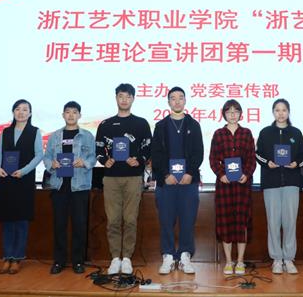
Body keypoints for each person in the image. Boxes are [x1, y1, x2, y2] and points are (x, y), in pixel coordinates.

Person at [95, 83, 152, 275]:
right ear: (116, 98)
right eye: (121, 96)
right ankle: (115, 258)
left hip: (133, 178)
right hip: (111, 178)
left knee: (130, 219)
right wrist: (105, 160)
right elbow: (98, 148)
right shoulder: (106, 124)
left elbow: (148, 147)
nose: (124, 100)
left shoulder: (141, 123)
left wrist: (139, 160)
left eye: (128, 96)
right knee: (112, 220)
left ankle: (127, 257)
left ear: (133, 99)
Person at [151, 86, 204, 275]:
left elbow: (198, 152)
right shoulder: (161, 126)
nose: (177, 101)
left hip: (188, 182)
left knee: (188, 220)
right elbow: (156, 154)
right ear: (168, 102)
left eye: (181, 98)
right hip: (167, 182)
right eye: (173, 98)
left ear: (185, 101)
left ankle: (184, 256)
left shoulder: (193, 125)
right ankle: (168, 255)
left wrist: (189, 173)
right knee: (166, 220)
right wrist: (166, 175)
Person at [0, 99, 43, 274]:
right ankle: (7, 257)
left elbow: (39, 155)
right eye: (18, 109)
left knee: (21, 221)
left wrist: (24, 171)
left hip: (24, 180)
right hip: (6, 180)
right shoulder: (6, 132)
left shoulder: (34, 132)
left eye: (25, 109)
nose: (21, 112)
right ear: (13, 112)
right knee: (7, 220)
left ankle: (17, 258)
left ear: (30, 113)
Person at [43, 101, 96, 275]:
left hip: (79, 187)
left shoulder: (87, 136)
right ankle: (59, 261)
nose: (71, 115)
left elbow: (93, 157)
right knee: (59, 225)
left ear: (79, 115)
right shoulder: (55, 136)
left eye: (74, 112)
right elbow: (47, 157)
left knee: (79, 225)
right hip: (59, 186)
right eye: (68, 112)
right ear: (63, 115)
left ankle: (78, 261)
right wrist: (52, 164)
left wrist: (84, 162)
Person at [255, 98, 303, 275]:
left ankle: (289, 258)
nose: (281, 113)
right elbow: (258, 154)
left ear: (288, 112)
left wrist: (296, 163)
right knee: (273, 222)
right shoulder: (265, 133)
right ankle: (277, 258)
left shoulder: (296, 133)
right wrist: (267, 163)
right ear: (273, 112)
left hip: (291, 182)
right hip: (271, 183)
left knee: (290, 221)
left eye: (284, 110)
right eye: (277, 110)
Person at [209, 99, 256, 275]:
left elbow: (251, 158)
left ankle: (241, 261)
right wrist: (221, 174)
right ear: (224, 114)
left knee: (242, 222)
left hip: (243, 186)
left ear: (240, 114)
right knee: (225, 222)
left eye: (236, 111)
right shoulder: (218, 134)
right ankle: (229, 261)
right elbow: (213, 159)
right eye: (229, 111)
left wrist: (247, 174)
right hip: (225, 186)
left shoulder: (246, 133)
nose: (232, 114)